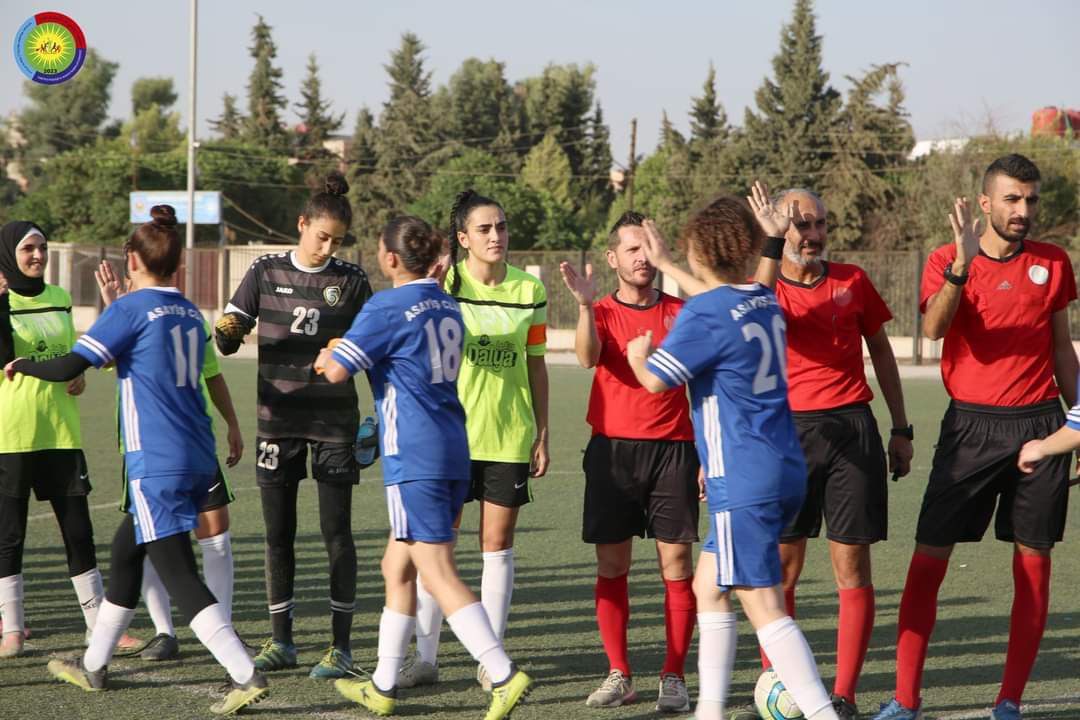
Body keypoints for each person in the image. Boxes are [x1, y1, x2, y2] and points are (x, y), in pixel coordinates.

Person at [6, 206, 267, 715]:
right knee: (127, 554)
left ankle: (244, 673)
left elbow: (71, 365)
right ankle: (94, 665)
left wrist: (24, 364)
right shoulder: (189, 311)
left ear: (132, 260)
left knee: (178, 572)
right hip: (198, 454)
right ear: (178, 265)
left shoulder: (131, 308)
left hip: (158, 461)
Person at [870, 154, 1077, 720]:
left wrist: (1077, 423)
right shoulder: (946, 259)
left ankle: (1009, 701)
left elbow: (1062, 350)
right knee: (928, 561)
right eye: (1012, 199)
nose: (1023, 209)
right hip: (970, 429)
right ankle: (905, 700)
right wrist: (960, 268)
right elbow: (934, 329)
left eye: (1030, 199)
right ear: (985, 203)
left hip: (1040, 426)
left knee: (1033, 566)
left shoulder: (1053, 262)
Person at [625, 197, 841, 720]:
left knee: (763, 604)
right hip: (781, 464)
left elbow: (655, 381)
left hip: (741, 474)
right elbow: (720, 298)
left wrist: (637, 357)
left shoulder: (704, 312)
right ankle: (710, 711)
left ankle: (822, 713)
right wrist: (668, 265)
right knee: (709, 586)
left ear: (698, 251)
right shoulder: (762, 299)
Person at [317, 215, 532, 720]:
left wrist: (327, 354)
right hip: (453, 446)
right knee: (397, 567)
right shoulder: (446, 303)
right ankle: (383, 684)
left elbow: (336, 371)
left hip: (414, 454)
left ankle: (502, 673)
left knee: (436, 571)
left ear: (390, 258)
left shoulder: (387, 305)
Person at [737, 185, 913, 720]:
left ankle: (844, 695)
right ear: (780, 230)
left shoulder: (852, 280)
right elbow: (755, 305)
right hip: (785, 434)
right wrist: (770, 242)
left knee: (852, 565)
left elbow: (881, 352)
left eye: (819, 224)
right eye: (802, 225)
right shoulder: (764, 284)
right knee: (782, 567)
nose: (813, 235)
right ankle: (780, 684)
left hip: (851, 430)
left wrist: (900, 427)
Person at [214, 172, 373, 679]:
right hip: (277, 420)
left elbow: (375, 347)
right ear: (302, 224)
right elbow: (228, 335)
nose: (328, 248)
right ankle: (282, 641)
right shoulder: (264, 271)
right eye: (322, 236)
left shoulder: (352, 281)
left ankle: (341, 648)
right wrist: (228, 331)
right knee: (278, 535)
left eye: (337, 241)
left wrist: (381, 417)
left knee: (336, 534)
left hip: (335, 423)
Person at [398, 189, 549, 691]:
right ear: (462, 238)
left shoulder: (529, 289)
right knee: (436, 549)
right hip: (448, 439)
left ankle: (491, 659)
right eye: (484, 228)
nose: (496, 235)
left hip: (508, 436)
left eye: (501, 226)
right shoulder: (443, 285)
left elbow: (535, 363)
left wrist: (542, 430)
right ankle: (425, 658)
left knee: (496, 547)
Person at [557, 210, 699, 713]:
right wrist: (582, 306)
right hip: (612, 453)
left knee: (676, 566)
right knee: (612, 564)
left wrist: (705, 456)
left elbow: (704, 385)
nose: (642, 257)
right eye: (632, 249)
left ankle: (674, 676)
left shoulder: (683, 312)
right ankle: (619, 673)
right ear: (612, 258)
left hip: (674, 450)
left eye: (648, 247)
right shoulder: (600, 311)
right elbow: (586, 357)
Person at [94, 259, 244, 661]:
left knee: (214, 531)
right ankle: (165, 632)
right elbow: (104, 358)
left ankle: (224, 630)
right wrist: (114, 307)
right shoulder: (130, 316)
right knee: (146, 540)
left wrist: (232, 423)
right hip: (147, 450)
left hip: (191, 444)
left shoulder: (184, 317)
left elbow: (212, 374)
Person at [0, 221, 106, 659]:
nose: (38, 256)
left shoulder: (61, 297)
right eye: (28, 248)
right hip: (12, 433)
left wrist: (78, 376)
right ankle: (12, 630)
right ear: (9, 254)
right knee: (9, 535)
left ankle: (99, 625)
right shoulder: (1, 302)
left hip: (61, 429)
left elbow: (68, 354)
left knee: (79, 531)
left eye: (42, 247)